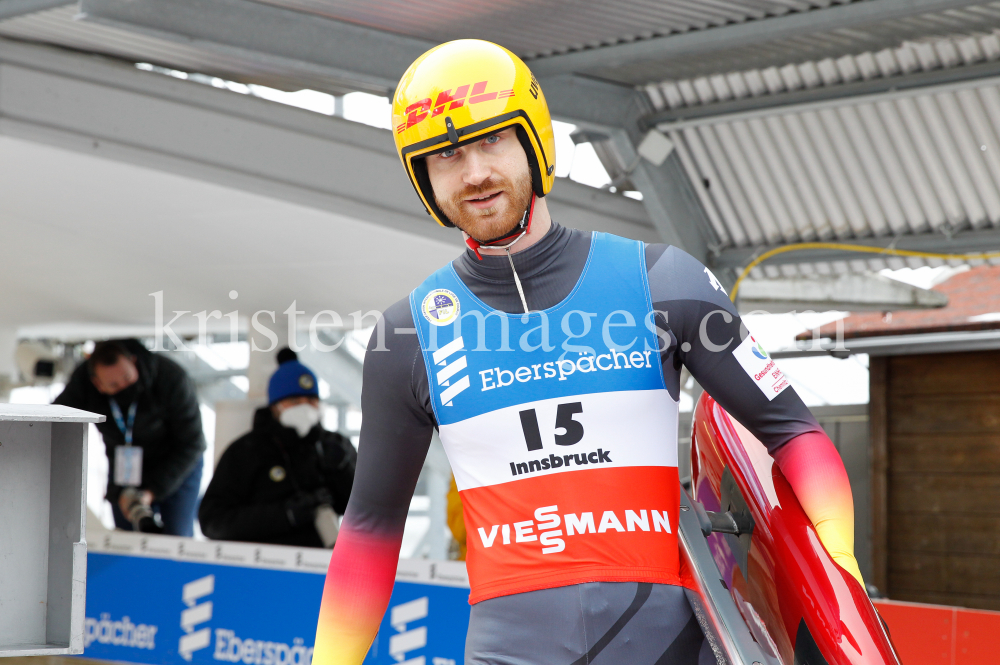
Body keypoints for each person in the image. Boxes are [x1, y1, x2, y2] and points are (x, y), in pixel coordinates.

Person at [312, 40, 864, 665]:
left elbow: (795, 433)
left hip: (669, 646)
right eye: (446, 157)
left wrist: (837, 578)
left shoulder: (662, 281)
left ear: (534, 141)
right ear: (424, 179)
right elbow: (369, 532)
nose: (473, 174)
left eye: (491, 141)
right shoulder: (406, 336)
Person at [198, 349, 356, 548]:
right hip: (263, 564)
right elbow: (213, 522)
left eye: (311, 401)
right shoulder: (246, 451)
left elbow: (371, 515)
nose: (305, 408)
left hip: (324, 562)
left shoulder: (334, 446)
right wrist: (285, 515)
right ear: (275, 406)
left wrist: (343, 472)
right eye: (295, 401)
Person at [55, 338, 206, 536]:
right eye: (114, 385)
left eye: (127, 378)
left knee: (176, 536)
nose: (123, 386)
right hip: (125, 466)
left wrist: (152, 491)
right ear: (98, 384)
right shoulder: (82, 385)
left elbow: (193, 443)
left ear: (134, 362)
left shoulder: (171, 377)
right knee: (125, 537)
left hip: (177, 462)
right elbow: (56, 421)